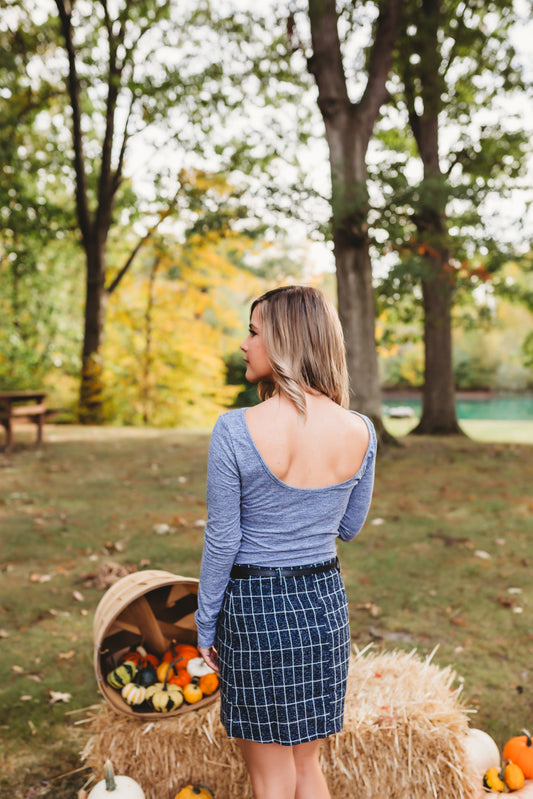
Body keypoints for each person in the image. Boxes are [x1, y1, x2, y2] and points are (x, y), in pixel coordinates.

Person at [195, 285, 377, 799]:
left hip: (255, 610)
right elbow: (349, 527)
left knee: (270, 778)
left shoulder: (234, 430)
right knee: (306, 766)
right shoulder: (360, 430)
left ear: (285, 342)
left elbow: (223, 539)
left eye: (254, 332)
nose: (244, 344)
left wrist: (205, 621)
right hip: (322, 608)